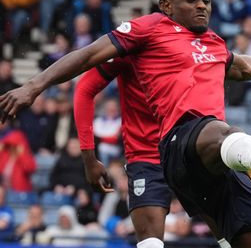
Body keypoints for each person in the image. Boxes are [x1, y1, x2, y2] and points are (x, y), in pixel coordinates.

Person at [0, 0, 251, 248]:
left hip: (209, 155)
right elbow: (86, 68)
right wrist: (34, 88)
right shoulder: (143, 34)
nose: (202, 6)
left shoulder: (213, 43)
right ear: (167, 6)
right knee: (153, 238)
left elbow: (241, 66)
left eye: (207, 0)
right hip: (163, 148)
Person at [74, 53, 234, 248]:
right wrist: (88, 157)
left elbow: (239, 66)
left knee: (230, 237)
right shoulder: (129, 46)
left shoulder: (195, 44)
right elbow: (84, 88)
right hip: (147, 159)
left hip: (188, 151)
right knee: (150, 242)